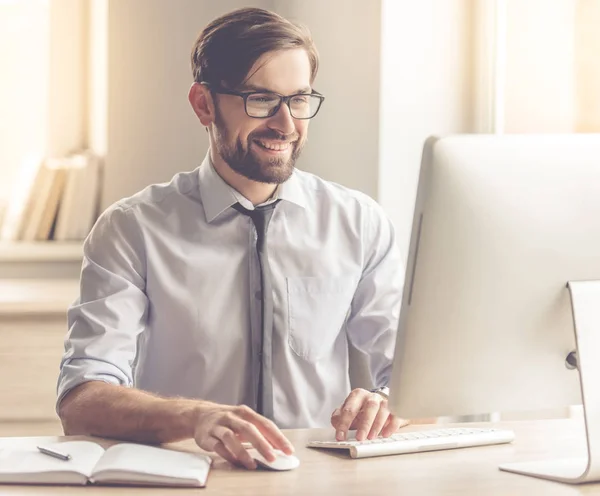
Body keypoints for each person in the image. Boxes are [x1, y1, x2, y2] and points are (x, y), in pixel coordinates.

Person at [57, 7, 406, 470]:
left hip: (319, 479)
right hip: (186, 477)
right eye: (261, 100)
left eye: (298, 100)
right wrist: (194, 416)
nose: (285, 125)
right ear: (204, 104)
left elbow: (414, 378)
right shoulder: (131, 229)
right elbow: (82, 400)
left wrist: (385, 400)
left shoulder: (359, 222)